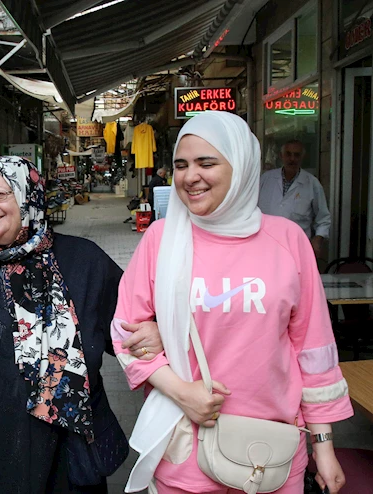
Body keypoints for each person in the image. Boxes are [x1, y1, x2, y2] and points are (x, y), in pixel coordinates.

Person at [111, 112, 352, 494]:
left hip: (272, 452)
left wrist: (323, 445)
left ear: (241, 167)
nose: (191, 176)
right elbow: (124, 330)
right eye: (181, 165)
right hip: (186, 452)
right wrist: (181, 391)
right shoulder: (162, 239)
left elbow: (313, 349)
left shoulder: (288, 240)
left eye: (207, 162)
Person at [0, 156, 164, 493]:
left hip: (68, 458)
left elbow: (129, 330)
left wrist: (156, 329)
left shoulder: (84, 262)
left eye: (0, 194)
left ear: (28, 196)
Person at [258, 139, 330, 257]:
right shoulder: (266, 179)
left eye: (296, 155)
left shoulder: (312, 183)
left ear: (302, 157)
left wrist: (317, 240)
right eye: (288, 154)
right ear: (281, 156)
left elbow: (323, 219)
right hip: (265, 244)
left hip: (297, 247)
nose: (292, 159)